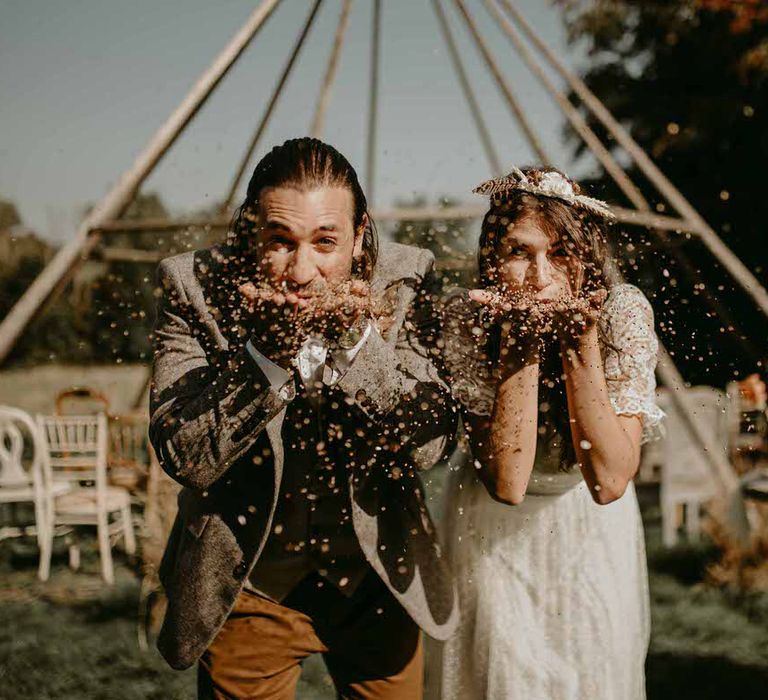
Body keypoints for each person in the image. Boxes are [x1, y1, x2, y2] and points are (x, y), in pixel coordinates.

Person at [149, 138, 458, 699]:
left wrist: (353, 344)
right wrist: (264, 359)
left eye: (325, 242)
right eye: (280, 242)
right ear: (251, 235)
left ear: (359, 234)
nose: (301, 271)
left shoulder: (407, 280)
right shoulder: (192, 286)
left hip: (377, 580)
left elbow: (430, 446)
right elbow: (186, 457)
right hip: (250, 585)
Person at [427, 166, 663, 699]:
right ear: (492, 259)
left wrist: (579, 345)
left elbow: (609, 481)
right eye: (519, 252)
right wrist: (522, 344)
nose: (540, 275)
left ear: (586, 253)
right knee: (500, 679)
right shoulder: (469, 316)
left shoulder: (620, 310)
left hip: (587, 524)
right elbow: (506, 483)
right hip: (491, 529)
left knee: (591, 672)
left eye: (559, 253)